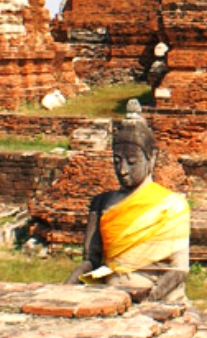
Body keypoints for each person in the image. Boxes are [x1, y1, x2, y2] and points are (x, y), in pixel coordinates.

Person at [65, 117, 189, 302]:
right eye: (116, 161)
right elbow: (90, 260)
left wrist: (148, 301)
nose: (122, 170)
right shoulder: (102, 203)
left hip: (159, 299)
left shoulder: (171, 205)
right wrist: (65, 288)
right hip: (110, 296)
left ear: (152, 158)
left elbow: (179, 270)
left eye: (132, 162)